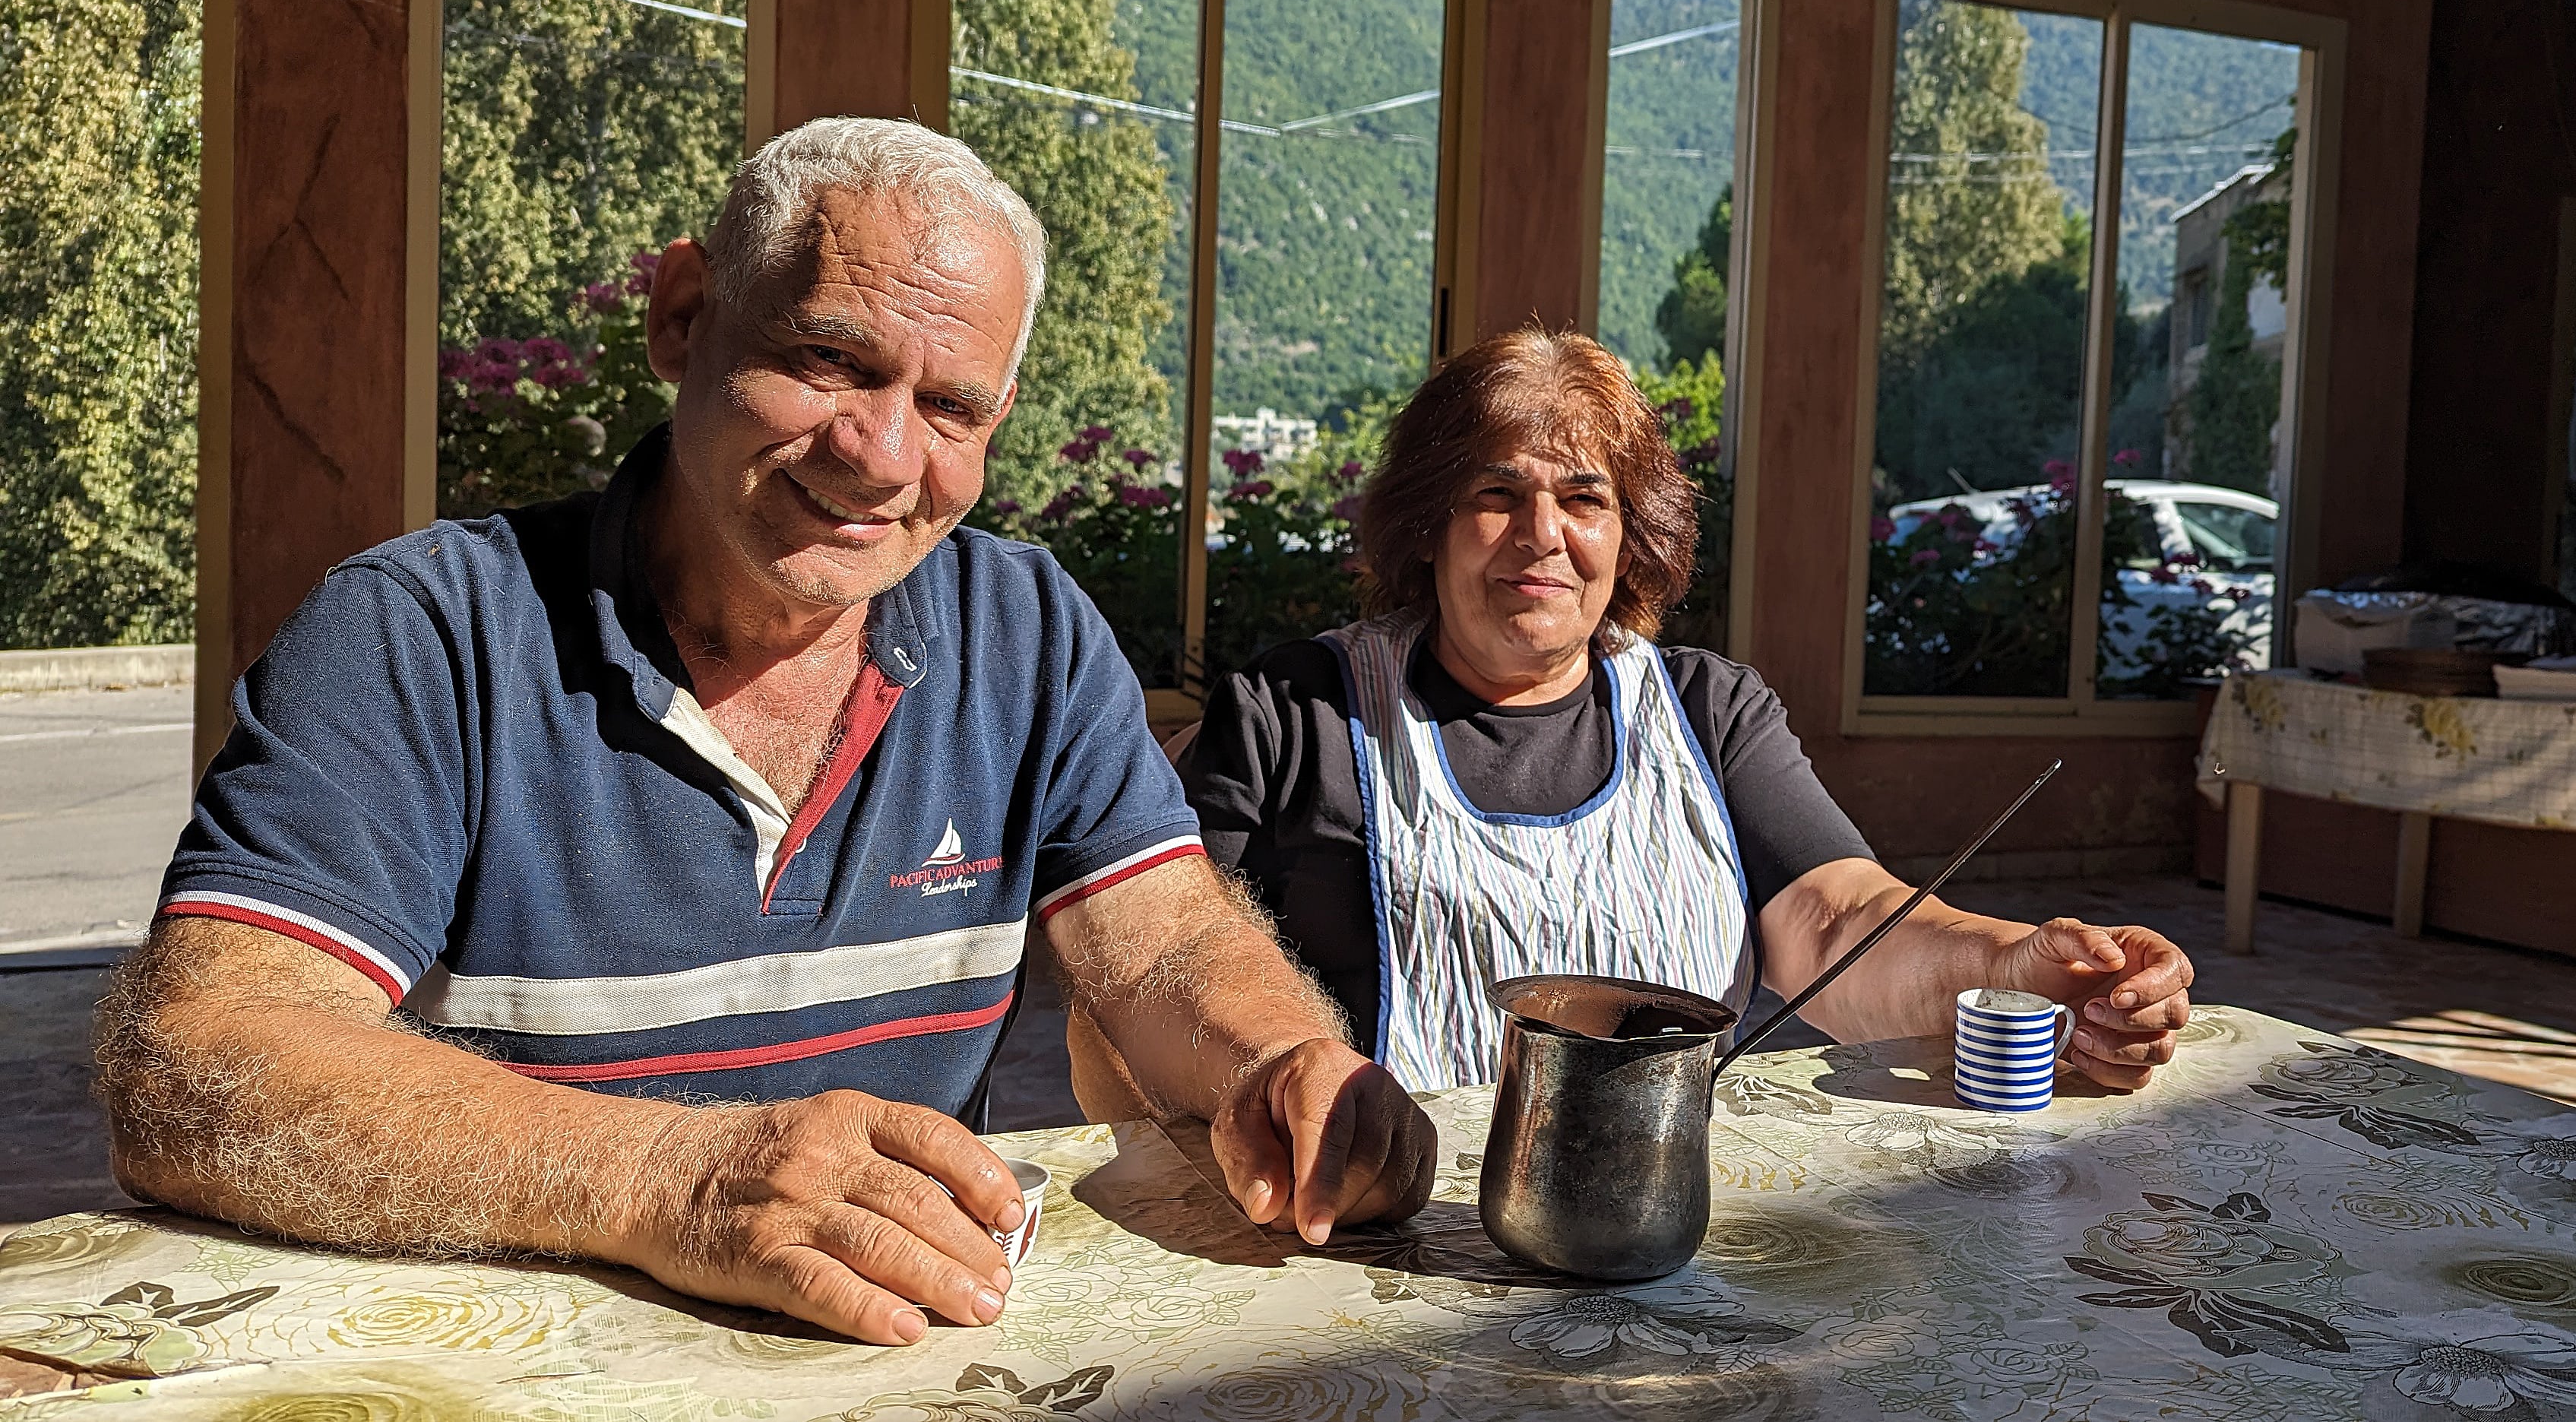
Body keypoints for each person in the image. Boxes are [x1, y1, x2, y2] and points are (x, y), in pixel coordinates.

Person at [94, 117, 1434, 1348]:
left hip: (899, 1361)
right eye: (830, 360)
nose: (882, 452)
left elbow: (1167, 949)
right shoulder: (425, 632)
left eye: (951, 406)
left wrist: (1277, 1058)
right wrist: (673, 1178)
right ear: (683, 315)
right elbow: (199, 1060)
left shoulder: (1024, 628)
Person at [1159, 327, 2194, 1095]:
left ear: (1630, 535)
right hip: (1366, 1225)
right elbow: (1168, 971)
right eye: (1493, 494)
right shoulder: (1295, 714)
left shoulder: (1708, 711)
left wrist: (2008, 965)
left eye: (1584, 497)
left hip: (1658, 1213)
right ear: (1426, 526)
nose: (1541, 534)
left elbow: (1839, 920)